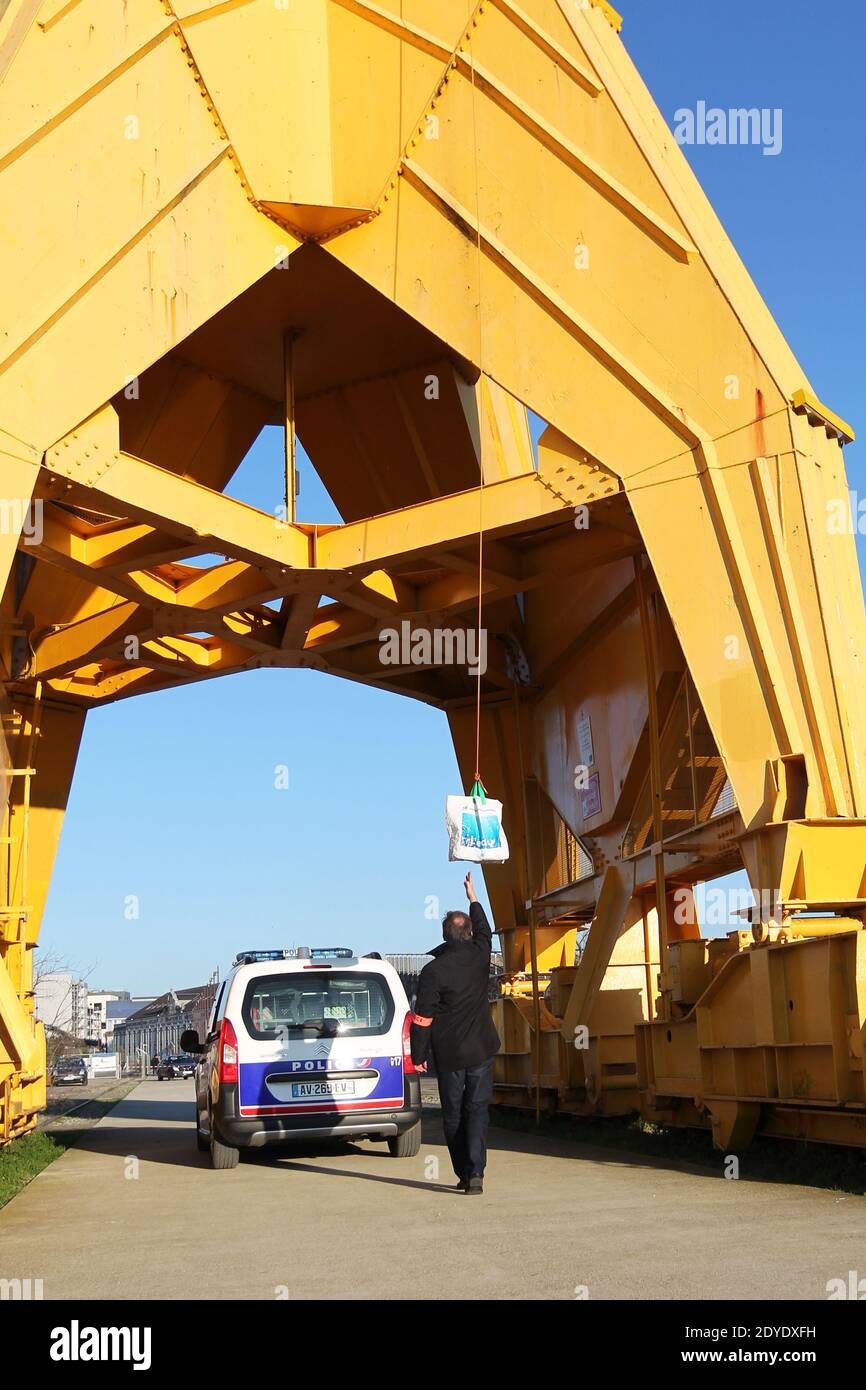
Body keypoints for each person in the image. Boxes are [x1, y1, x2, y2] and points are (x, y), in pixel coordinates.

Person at [410, 870, 501, 1194]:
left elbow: (423, 1018)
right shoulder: (479, 956)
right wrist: (473, 897)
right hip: (480, 1050)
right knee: (476, 1109)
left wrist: (417, 1056)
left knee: (453, 1114)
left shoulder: (433, 971)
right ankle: (476, 1173)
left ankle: (463, 1171)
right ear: (470, 933)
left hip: (449, 1055)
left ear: (445, 936)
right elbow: (487, 932)